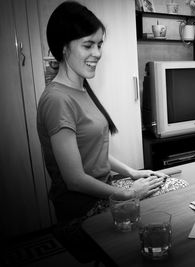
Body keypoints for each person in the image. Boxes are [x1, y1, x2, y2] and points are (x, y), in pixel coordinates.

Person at [37, 1, 169, 224]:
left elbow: (90, 150)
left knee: (174, 187)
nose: (97, 53)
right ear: (64, 47)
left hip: (103, 193)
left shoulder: (80, 89)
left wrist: (133, 173)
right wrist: (128, 194)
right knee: (169, 202)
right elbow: (75, 179)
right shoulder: (57, 99)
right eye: (88, 45)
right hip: (82, 212)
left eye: (99, 45)